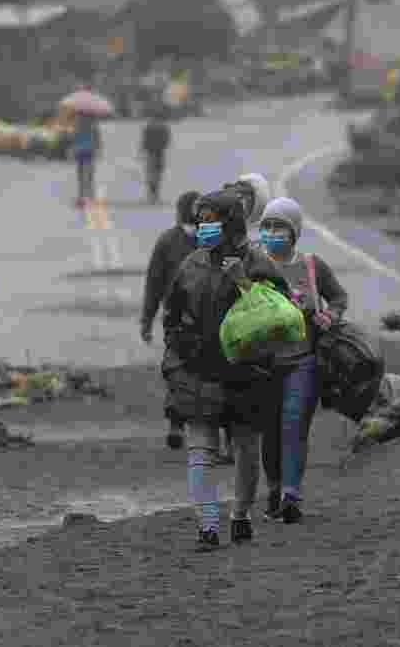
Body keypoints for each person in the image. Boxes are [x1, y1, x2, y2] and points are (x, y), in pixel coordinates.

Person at [162, 188, 291, 551]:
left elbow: (279, 314)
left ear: (230, 223)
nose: (203, 228)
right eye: (199, 221)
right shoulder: (191, 264)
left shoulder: (258, 263)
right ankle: (206, 525)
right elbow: (170, 314)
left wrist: (241, 282)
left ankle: (241, 515)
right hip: (198, 371)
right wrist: (181, 347)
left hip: (246, 373)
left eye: (210, 220)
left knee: (247, 448)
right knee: (200, 449)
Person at [257, 197, 348, 523]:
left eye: (278, 226)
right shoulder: (253, 264)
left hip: (303, 360)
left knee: (294, 425)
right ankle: (274, 488)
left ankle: (291, 496)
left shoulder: (312, 265)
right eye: (266, 226)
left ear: (294, 232)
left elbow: (338, 296)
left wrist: (330, 315)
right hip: (263, 364)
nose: (271, 232)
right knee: (270, 431)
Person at [141, 190, 200, 450]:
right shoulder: (215, 241)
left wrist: (147, 320)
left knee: (179, 371)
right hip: (201, 320)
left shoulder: (167, 241)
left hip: (180, 320)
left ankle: (178, 424)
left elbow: (154, 284)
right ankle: (209, 429)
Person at [223, 173, 272, 242]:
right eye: (236, 194)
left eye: (243, 196)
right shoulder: (227, 228)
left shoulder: (265, 238)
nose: (238, 200)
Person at [140, 111, 172, 205]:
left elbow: (144, 141)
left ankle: (152, 194)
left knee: (151, 174)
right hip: (159, 153)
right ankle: (154, 194)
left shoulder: (148, 127)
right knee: (157, 174)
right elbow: (167, 140)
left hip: (151, 153)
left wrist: (143, 149)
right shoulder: (163, 128)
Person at [72, 113, 102, 207]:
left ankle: (81, 198)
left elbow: (74, 139)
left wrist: (73, 149)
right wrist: (98, 149)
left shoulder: (77, 126)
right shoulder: (94, 127)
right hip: (89, 151)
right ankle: (90, 197)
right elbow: (97, 140)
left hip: (80, 151)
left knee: (81, 176)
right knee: (89, 175)